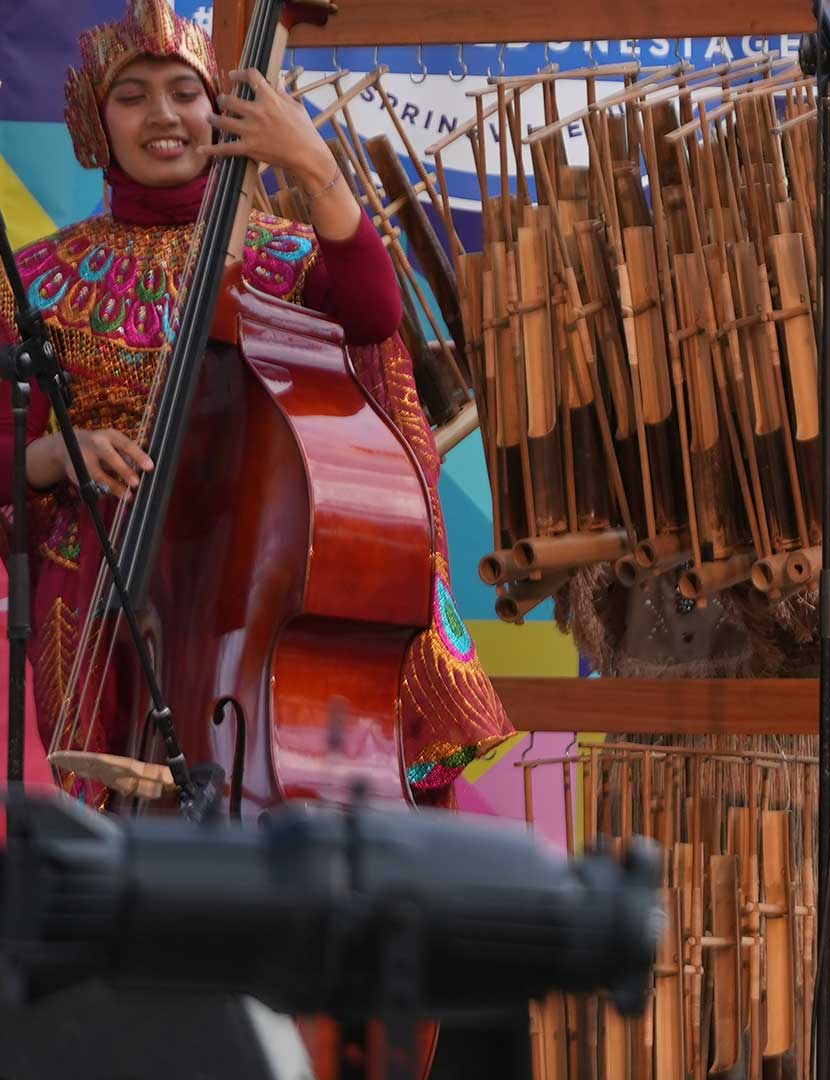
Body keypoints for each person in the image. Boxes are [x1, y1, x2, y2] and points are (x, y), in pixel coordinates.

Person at [0, 0, 510, 804]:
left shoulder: (288, 257)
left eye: (184, 92)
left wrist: (313, 162)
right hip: (100, 599)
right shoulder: (33, 281)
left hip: (253, 605)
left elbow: (375, 318)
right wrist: (59, 452)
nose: (163, 115)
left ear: (219, 110)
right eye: (131, 97)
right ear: (96, 124)